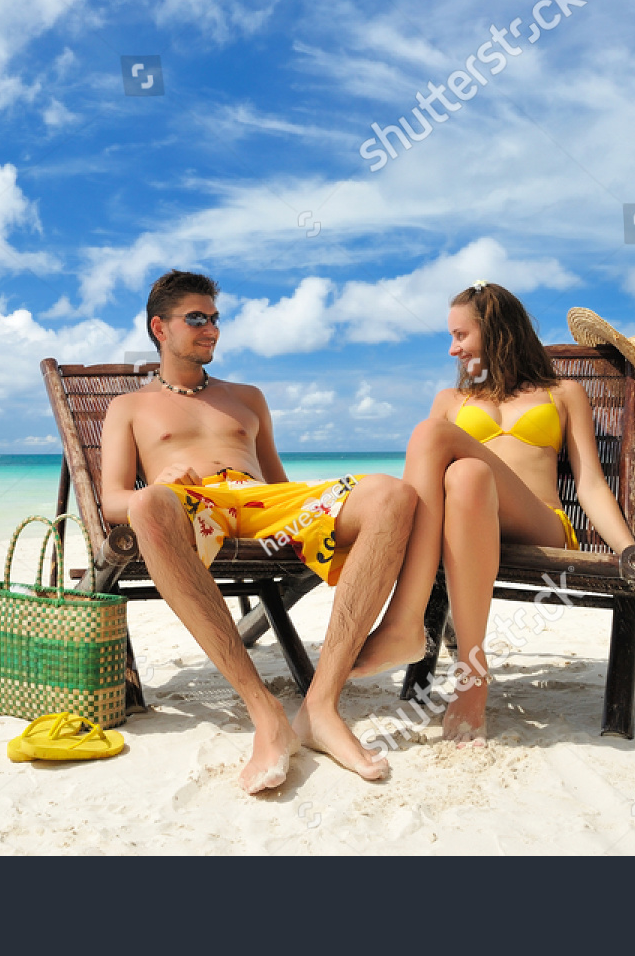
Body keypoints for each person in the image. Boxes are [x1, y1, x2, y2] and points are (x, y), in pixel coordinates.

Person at [100, 270, 418, 794]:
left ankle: (320, 707)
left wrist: (308, 517)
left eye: (216, 318)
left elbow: (280, 484)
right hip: (195, 505)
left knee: (392, 493)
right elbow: (113, 499)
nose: (212, 329)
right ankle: (265, 713)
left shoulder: (247, 396)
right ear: (160, 327)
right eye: (196, 318)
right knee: (150, 503)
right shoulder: (129, 407)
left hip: (264, 502)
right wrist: (155, 484)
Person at [350, 282, 635, 744]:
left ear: (495, 332)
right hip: (468, 521)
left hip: (541, 523)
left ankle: (403, 620)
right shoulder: (453, 400)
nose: (453, 349)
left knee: (432, 436)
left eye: (460, 335)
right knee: (467, 475)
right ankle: (473, 673)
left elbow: (590, 484)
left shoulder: (562, 392)